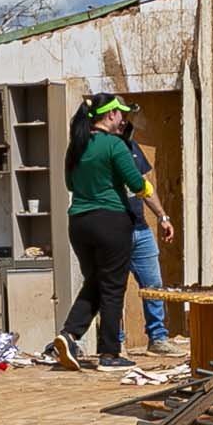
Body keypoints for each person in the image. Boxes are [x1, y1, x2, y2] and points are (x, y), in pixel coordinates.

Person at [53, 95, 149, 369]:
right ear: (109, 116)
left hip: (79, 223)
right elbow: (135, 182)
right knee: (112, 287)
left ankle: (69, 334)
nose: (124, 119)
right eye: (121, 114)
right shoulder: (114, 145)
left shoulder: (77, 147)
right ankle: (109, 353)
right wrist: (149, 192)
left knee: (95, 281)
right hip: (111, 221)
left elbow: (70, 184)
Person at [124, 122, 177, 352]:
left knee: (153, 285)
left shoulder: (133, 148)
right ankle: (115, 342)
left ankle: (158, 338)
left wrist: (162, 216)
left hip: (141, 229)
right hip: (116, 230)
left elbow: (146, 186)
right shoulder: (104, 150)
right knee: (113, 289)